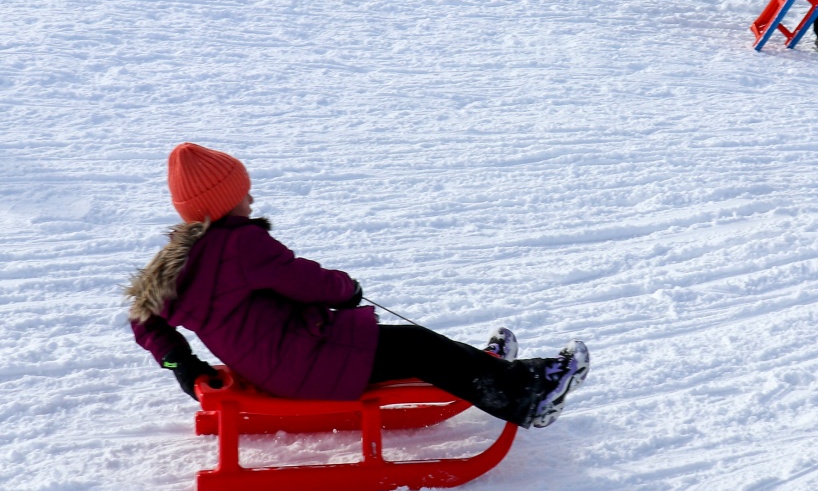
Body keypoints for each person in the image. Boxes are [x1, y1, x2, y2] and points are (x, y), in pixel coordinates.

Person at [123, 143, 591, 428]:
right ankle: (528, 394)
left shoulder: (181, 262)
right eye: (244, 190)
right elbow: (301, 279)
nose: (251, 196)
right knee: (417, 347)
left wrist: (181, 365)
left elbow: (143, 316)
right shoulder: (241, 245)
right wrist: (344, 290)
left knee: (410, 347)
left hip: (277, 365)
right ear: (226, 202)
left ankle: (481, 370)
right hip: (304, 363)